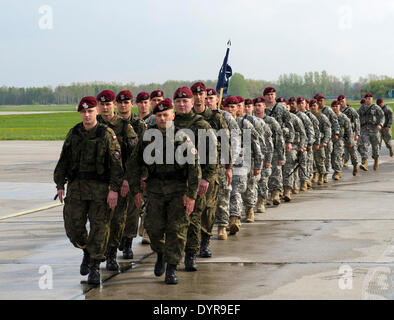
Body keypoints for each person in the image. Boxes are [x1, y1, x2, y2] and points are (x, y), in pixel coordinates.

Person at [127, 98, 201, 285]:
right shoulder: (147, 138)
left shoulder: (183, 138)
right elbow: (134, 166)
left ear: (172, 116)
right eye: (159, 115)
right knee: (153, 229)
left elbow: (194, 169)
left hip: (178, 191)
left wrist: (191, 196)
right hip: (155, 191)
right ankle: (160, 253)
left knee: (177, 231)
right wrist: (135, 191)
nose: (162, 118)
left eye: (165, 114)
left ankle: (171, 267)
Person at [54, 96, 123, 285]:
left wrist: (114, 190)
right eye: (83, 112)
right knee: (74, 229)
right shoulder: (74, 133)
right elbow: (63, 162)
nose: (86, 115)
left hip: (100, 191)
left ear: (97, 112)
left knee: (100, 229)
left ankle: (94, 267)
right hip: (76, 190)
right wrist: (60, 184)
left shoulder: (106, 134)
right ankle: (86, 249)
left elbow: (117, 166)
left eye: (90, 111)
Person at [173, 86, 217, 271]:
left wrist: (206, 178)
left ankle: (191, 255)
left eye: (185, 101)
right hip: (173, 182)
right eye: (178, 101)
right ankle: (174, 255)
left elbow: (213, 153)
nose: (182, 104)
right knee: (174, 220)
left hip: (196, 180)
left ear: (192, 103)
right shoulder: (169, 123)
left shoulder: (202, 125)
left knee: (194, 218)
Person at [96, 90, 139, 271]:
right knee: (99, 221)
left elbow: (134, 155)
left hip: (120, 181)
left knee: (117, 221)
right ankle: (96, 255)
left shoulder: (124, 126)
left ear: (113, 105)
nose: (105, 108)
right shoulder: (92, 124)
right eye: (102, 104)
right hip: (97, 183)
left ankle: (112, 254)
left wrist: (128, 179)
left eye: (108, 104)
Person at [191, 82, 230, 255]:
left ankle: (205, 241)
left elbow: (225, 142)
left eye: (202, 94)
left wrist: (228, 167)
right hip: (190, 170)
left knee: (209, 207)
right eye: (196, 94)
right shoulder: (186, 117)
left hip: (211, 169)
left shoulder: (215, 118)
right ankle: (192, 240)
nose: (199, 97)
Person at [222, 96, 262, 235]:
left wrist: (258, 164)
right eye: (228, 107)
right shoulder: (221, 122)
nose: (231, 110)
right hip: (224, 162)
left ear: (238, 108)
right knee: (226, 191)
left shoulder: (245, 124)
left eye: (234, 107)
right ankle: (227, 218)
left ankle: (237, 216)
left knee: (237, 190)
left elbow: (256, 144)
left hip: (242, 161)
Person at [206, 88, 241, 240]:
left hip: (221, 163)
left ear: (216, 100)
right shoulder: (198, 117)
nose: (208, 100)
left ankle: (222, 226)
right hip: (203, 163)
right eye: (205, 98)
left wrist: (229, 164)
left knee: (224, 195)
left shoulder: (225, 117)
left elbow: (234, 139)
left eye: (211, 98)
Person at [116, 90, 146, 259]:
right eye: (120, 102)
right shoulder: (110, 123)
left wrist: (143, 175)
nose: (123, 105)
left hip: (133, 173)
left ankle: (127, 242)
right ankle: (116, 239)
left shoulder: (139, 124)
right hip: (115, 174)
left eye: (126, 102)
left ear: (131, 103)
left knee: (133, 211)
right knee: (115, 212)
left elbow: (144, 151)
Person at [240, 96, 273, 220]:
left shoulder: (257, 122)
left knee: (256, 183)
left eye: (249, 106)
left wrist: (266, 159)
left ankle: (257, 204)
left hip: (254, 157)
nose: (246, 108)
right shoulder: (235, 121)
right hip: (240, 159)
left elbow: (265, 141)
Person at [263, 87, 294, 203]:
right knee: (267, 169)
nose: (270, 96)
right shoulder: (262, 109)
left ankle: (277, 192)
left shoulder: (281, 108)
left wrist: (289, 141)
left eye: (272, 94)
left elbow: (289, 125)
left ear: (275, 95)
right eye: (268, 94)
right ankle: (270, 193)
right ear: (264, 96)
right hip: (266, 143)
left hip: (279, 142)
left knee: (278, 167)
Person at [254, 97, 285, 210]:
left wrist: (281, 155)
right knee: (259, 178)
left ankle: (275, 194)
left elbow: (279, 137)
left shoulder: (271, 121)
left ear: (264, 107)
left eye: (260, 105)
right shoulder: (251, 121)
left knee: (273, 175)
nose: (257, 108)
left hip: (272, 152)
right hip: (256, 154)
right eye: (256, 105)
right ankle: (260, 200)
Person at [283, 98, 306, 201]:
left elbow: (303, 133)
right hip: (277, 147)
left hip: (293, 146)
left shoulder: (294, 118)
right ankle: (277, 190)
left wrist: (302, 146)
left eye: (284, 106)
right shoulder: (273, 118)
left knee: (289, 166)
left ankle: (288, 189)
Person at [315, 93, 340, 183]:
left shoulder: (328, 110)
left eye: (321, 101)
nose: (320, 102)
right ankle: (318, 173)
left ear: (324, 101)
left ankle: (325, 174)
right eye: (318, 101)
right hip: (317, 138)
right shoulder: (314, 111)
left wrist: (336, 133)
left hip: (327, 137)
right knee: (319, 157)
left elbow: (335, 122)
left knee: (327, 156)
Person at [357, 93, 385, 171]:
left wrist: (380, 124)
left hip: (374, 130)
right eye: (367, 98)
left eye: (370, 98)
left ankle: (376, 160)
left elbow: (382, 116)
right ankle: (365, 163)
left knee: (375, 148)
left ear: (372, 99)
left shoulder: (376, 108)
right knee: (364, 146)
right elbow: (356, 117)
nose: (368, 99)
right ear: (365, 99)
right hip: (365, 129)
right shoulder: (361, 108)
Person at [309, 99, 331, 185]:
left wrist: (325, 141)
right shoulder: (308, 116)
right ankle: (315, 174)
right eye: (311, 106)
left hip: (320, 142)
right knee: (311, 161)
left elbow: (327, 130)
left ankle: (322, 175)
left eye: (314, 105)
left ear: (317, 106)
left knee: (320, 160)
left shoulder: (322, 117)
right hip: (311, 141)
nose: (313, 108)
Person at [330, 100, 353, 180]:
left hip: (340, 139)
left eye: (336, 106)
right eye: (333, 106)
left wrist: (350, 141)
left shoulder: (344, 117)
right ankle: (335, 169)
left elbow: (349, 130)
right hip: (330, 139)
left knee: (337, 155)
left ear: (339, 106)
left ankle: (338, 171)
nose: (335, 108)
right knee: (332, 157)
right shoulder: (329, 117)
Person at [338, 95, 360, 176]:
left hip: (350, 134)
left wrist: (357, 133)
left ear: (345, 100)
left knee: (352, 152)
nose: (341, 102)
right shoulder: (338, 111)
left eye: (342, 101)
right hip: (341, 136)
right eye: (339, 101)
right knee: (339, 153)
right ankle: (338, 171)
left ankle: (355, 166)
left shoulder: (351, 110)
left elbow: (357, 122)